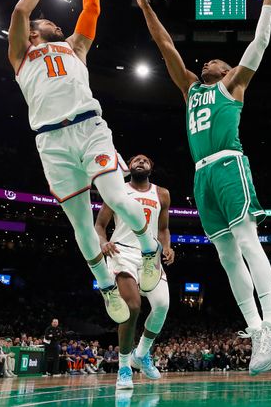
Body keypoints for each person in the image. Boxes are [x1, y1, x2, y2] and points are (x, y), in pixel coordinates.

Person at [134, 0, 271, 374]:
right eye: (206, 61)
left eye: (215, 61)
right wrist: (147, 8)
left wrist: (268, 3)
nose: (207, 62)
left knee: (246, 238)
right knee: (225, 254)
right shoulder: (190, 88)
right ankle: (255, 329)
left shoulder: (233, 85)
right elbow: (165, 46)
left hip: (228, 164)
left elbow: (259, 46)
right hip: (201, 176)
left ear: (227, 70)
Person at [7, 0, 162, 324]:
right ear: (33, 33)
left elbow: (91, 10)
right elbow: (18, 13)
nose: (56, 25)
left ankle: (147, 248)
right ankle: (106, 287)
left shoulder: (75, 46)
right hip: (51, 141)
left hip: (90, 128)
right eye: (47, 22)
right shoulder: (20, 54)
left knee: (114, 196)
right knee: (79, 222)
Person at [95, 154, 175, 390]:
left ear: (151, 167)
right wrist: (102, 241)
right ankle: (124, 368)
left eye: (146, 160)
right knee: (132, 307)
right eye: (136, 160)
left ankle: (141, 354)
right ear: (129, 167)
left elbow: (163, 228)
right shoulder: (117, 190)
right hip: (123, 253)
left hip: (150, 254)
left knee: (162, 305)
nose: (140, 162)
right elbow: (99, 225)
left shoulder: (162, 194)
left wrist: (167, 247)